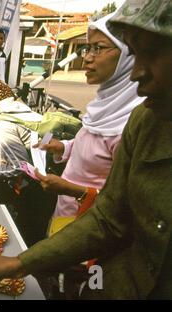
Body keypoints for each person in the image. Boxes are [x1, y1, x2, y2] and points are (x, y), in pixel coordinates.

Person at [0, 0, 172, 299]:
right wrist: (23, 263)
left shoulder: (130, 119)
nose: (137, 73)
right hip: (76, 230)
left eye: (152, 52)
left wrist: (70, 188)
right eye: (135, 54)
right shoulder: (134, 117)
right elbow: (109, 215)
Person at [33, 13, 145, 235]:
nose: (87, 58)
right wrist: (62, 147)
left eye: (98, 48)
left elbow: (123, 202)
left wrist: (71, 189)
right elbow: (89, 142)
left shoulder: (129, 124)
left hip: (90, 231)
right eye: (88, 48)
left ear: (127, 56)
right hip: (66, 216)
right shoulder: (104, 105)